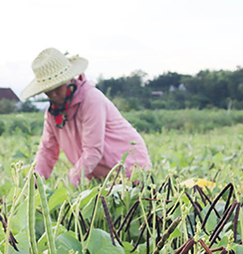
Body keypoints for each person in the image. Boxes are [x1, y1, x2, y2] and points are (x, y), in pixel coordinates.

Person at [20, 48, 152, 187]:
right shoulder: (52, 113)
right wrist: (31, 184)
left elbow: (93, 151)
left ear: (68, 81)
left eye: (57, 88)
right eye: (48, 91)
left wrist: (67, 186)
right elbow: (47, 150)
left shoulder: (91, 99)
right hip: (99, 177)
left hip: (130, 169)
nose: (53, 95)